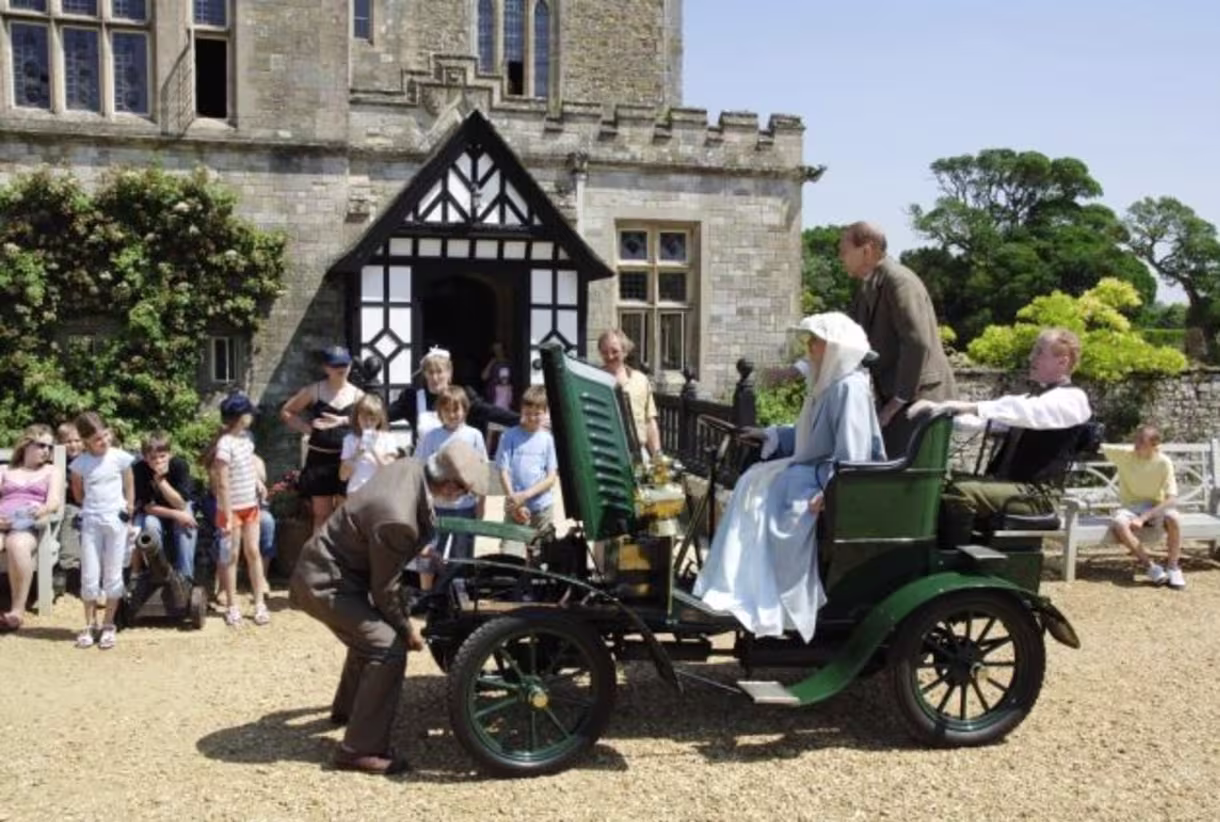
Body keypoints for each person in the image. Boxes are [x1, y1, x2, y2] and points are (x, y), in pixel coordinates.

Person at [289, 440, 491, 776]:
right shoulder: (398, 519)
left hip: (328, 572)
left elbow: (378, 532)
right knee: (386, 646)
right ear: (450, 485)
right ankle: (358, 751)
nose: (463, 497)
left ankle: (350, 712)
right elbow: (385, 590)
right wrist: (407, 630)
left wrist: (416, 551)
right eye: (465, 491)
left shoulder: (411, 467)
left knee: (367, 636)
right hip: (325, 584)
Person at [694, 313, 885, 642]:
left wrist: (831, 491)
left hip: (826, 477)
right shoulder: (829, 383)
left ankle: (774, 598)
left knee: (764, 490)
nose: (809, 347)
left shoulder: (849, 388)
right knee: (752, 481)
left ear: (836, 348)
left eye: (816, 341)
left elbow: (852, 454)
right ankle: (739, 582)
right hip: (811, 469)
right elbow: (808, 435)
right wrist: (769, 434)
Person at [907, 328, 1092, 536]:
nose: (1032, 357)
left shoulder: (1073, 399)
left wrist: (962, 405)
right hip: (1013, 487)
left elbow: (1026, 411)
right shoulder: (1035, 398)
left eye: (1040, 352)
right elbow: (984, 421)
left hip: (1038, 496)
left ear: (1062, 362)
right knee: (945, 482)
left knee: (960, 491)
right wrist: (936, 409)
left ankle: (951, 554)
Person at [841, 221, 957, 458]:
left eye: (844, 250)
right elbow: (846, 338)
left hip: (921, 396)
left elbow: (916, 341)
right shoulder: (868, 286)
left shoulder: (898, 281)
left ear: (867, 250)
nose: (840, 257)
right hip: (898, 400)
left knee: (915, 477)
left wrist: (898, 399)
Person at [280, 345, 365, 533]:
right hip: (320, 460)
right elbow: (287, 412)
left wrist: (344, 420)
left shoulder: (359, 395)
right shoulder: (314, 390)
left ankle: (342, 559)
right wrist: (308, 429)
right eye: (336, 365)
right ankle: (319, 560)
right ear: (326, 368)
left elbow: (371, 421)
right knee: (321, 515)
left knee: (345, 514)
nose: (341, 369)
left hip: (347, 460)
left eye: (345, 364)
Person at [70, 412, 136, 650]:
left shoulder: (120, 458)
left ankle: (108, 623)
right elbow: (78, 493)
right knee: (89, 572)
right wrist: (91, 508)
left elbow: (129, 484)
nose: (104, 441)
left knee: (113, 572)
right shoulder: (80, 464)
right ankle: (89, 623)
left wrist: (128, 508)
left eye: (106, 435)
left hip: (115, 519)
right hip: (91, 520)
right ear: (86, 442)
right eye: (98, 439)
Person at [414, 386, 488, 590]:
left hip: (465, 506)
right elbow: (420, 468)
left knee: (461, 555)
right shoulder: (431, 437)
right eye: (446, 410)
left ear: (465, 410)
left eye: (457, 410)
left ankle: (456, 595)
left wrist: (481, 503)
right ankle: (426, 593)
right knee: (428, 551)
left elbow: (481, 471)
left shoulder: (474, 435)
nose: (452, 415)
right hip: (435, 506)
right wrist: (424, 500)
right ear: (439, 413)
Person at [207, 393, 270, 627]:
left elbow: (249, 465)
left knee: (253, 552)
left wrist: (258, 483)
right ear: (240, 417)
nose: (251, 417)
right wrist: (225, 514)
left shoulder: (246, 439)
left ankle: (259, 603)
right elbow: (222, 482)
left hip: (250, 505)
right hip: (231, 509)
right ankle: (232, 606)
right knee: (231, 556)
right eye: (248, 413)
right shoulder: (224, 445)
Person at [1103, 425, 1186, 589]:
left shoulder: (1164, 462)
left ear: (1154, 445)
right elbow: (1096, 446)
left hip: (1155, 507)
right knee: (1119, 523)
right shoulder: (1125, 455)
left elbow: (1171, 500)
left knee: (1174, 517)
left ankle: (1173, 567)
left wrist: (1143, 518)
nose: (1136, 444)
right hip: (1131, 507)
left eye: (1142, 441)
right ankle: (1152, 568)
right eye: (1136, 439)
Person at [387, 346, 518, 448]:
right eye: (430, 372)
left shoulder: (461, 396)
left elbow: (490, 412)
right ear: (425, 374)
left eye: (439, 372)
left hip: (454, 469)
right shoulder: (413, 399)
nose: (435, 378)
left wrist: (521, 419)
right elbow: (382, 415)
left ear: (449, 373)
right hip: (423, 468)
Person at [0, 425, 64, 631]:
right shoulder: (4, 470)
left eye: (50, 447)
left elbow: (54, 502)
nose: (46, 451)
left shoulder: (52, 471)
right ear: (26, 445)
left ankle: (16, 611)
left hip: (29, 524)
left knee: (16, 544)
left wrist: (38, 512)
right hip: (1, 522)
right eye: (41, 445)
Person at [495, 385, 558, 545]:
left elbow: (551, 478)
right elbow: (503, 471)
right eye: (527, 413)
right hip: (514, 507)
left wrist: (525, 495)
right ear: (521, 410)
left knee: (542, 556)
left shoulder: (547, 440)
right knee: (511, 554)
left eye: (537, 414)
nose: (532, 418)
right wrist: (515, 504)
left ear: (546, 412)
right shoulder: (509, 436)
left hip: (542, 508)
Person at [132, 431, 197, 584]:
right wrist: (176, 515)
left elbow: (181, 504)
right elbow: (147, 507)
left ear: (170, 454)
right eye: (153, 458)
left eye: (162, 456)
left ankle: (186, 577)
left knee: (187, 525)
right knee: (149, 524)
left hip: (178, 506)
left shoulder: (179, 466)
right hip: (156, 511)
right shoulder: (139, 470)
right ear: (145, 457)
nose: (158, 461)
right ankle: (158, 573)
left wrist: (161, 481)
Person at [598, 329, 661, 457]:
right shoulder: (593, 380)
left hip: (638, 453)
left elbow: (649, 422)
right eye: (605, 352)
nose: (609, 357)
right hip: (604, 455)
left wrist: (657, 458)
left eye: (614, 351)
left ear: (625, 351)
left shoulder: (640, 380)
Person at [339, 394, 397, 496]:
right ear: (357, 418)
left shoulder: (388, 439)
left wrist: (373, 450)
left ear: (379, 420)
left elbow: (391, 472)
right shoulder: (349, 440)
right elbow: (343, 476)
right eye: (364, 418)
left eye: (372, 419)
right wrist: (356, 454)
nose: (368, 423)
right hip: (356, 492)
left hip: (380, 493)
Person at [54, 422, 84, 584]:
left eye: (77, 440)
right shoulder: (58, 461)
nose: (73, 445)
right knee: (70, 514)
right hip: (65, 506)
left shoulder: (90, 459)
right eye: (68, 441)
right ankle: (68, 566)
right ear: (60, 444)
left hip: (88, 504)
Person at [480, 341, 514, 409]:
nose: (497, 352)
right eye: (495, 350)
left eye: (499, 349)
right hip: (492, 394)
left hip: (505, 393)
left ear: (503, 350)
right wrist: (491, 363)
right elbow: (483, 377)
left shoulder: (509, 363)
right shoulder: (491, 362)